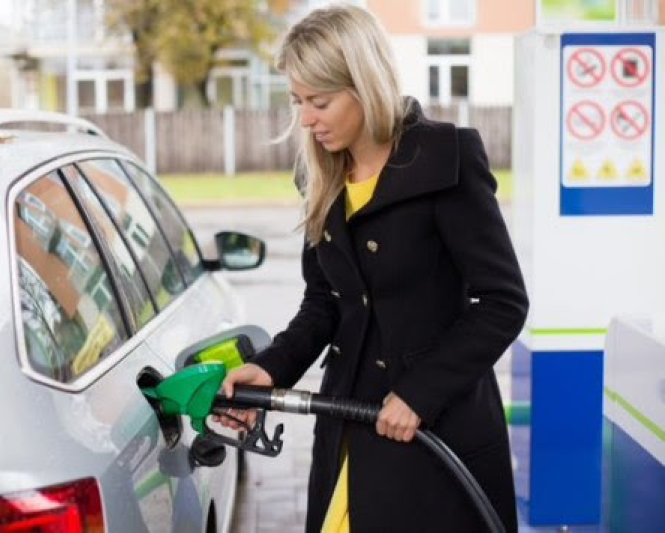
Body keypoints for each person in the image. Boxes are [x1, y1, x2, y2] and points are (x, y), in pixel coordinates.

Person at [216, 5, 528, 532]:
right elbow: (323, 304)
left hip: (434, 434)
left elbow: (503, 303)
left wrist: (420, 393)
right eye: (297, 102)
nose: (305, 119)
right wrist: (270, 370)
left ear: (364, 84)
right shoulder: (319, 175)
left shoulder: (447, 158)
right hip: (348, 426)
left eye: (319, 101)